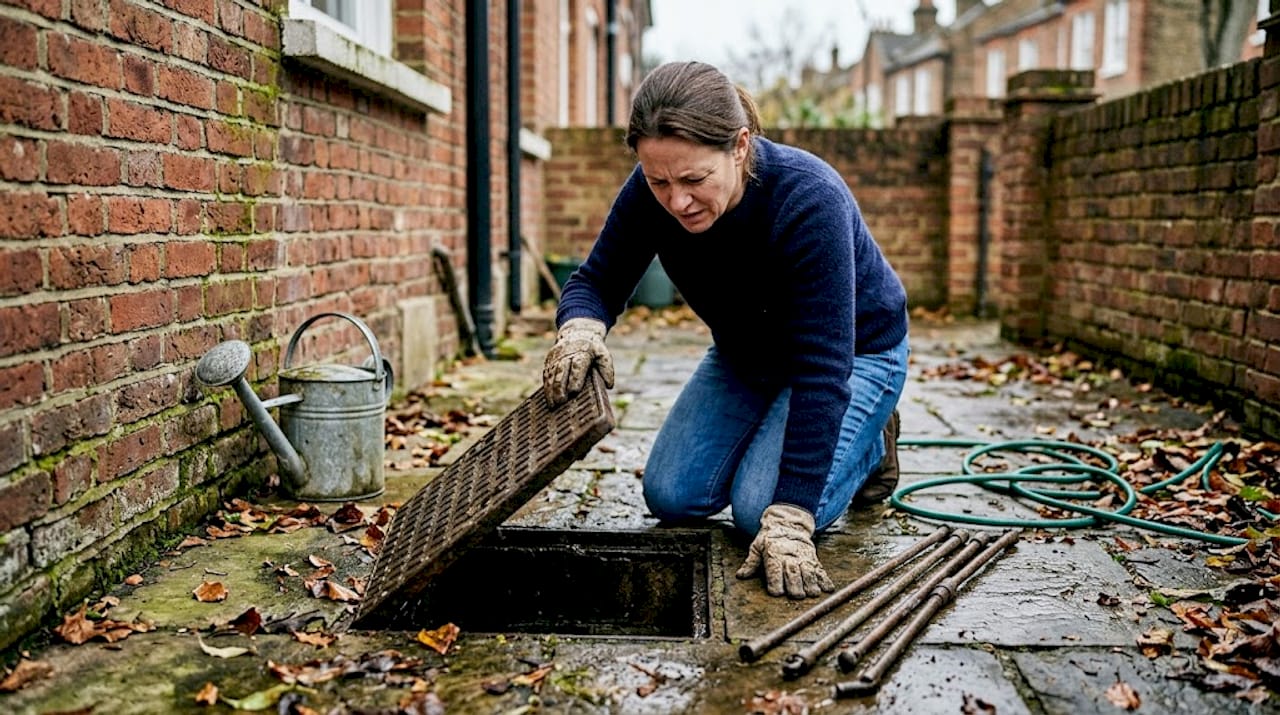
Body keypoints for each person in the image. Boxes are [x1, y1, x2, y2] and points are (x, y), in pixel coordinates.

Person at [541, 61, 909, 600]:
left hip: (853, 357)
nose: (677, 201)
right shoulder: (654, 190)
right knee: (672, 496)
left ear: (739, 146)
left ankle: (871, 442)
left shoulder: (808, 200)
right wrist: (579, 331)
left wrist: (791, 519)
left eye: (694, 180)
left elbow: (824, 372)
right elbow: (596, 279)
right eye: (659, 180)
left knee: (759, 510)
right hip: (748, 356)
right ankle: (785, 429)